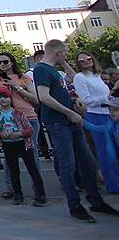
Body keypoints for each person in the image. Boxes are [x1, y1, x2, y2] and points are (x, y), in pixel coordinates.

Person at [33, 39, 117, 222]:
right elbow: (44, 97)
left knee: (87, 161)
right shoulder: (42, 70)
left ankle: (96, 200)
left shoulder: (54, 70)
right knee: (68, 164)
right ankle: (75, 205)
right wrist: (69, 113)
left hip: (70, 120)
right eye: (64, 53)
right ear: (57, 52)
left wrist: (72, 102)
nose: (67, 57)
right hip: (58, 123)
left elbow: (70, 80)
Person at [0, 52, 41, 199]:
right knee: (9, 156)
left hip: (27, 117)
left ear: (12, 62)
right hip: (6, 120)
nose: (2, 64)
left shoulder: (23, 78)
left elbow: (36, 99)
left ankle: (38, 188)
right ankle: (11, 187)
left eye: (5, 62)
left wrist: (17, 87)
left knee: (33, 154)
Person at [0, 87, 47, 206]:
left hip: (23, 142)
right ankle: (18, 194)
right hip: (7, 143)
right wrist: (0, 134)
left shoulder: (18, 113)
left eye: (5, 97)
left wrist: (20, 133)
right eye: (0, 97)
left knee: (32, 169)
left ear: (10, 98)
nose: (3, 99)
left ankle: (40, 194)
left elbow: (29, 129)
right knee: (13, 170)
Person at [72, 51, 118, 193]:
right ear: (78, 64)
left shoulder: (96, 75)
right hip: (95, 116)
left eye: (88, 58)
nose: (86, 60)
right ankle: (113, 185)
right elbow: (86, 100)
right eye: (81, 60)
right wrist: (107, 99)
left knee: (114, 151)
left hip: (108, 114)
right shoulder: (79, 77)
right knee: (105, 152)